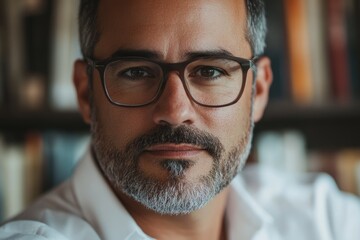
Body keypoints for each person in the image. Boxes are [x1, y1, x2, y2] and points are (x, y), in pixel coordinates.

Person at [1, 0, 360, 239]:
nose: (175, 111)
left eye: (209, 71)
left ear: (260, 91)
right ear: (85, 93)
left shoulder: (327, 221)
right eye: (137, 72)